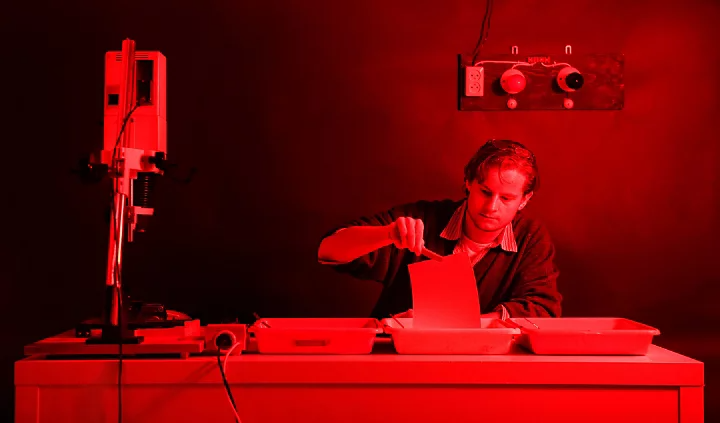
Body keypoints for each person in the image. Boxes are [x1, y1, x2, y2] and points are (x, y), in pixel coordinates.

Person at [317, 139, 562, 320]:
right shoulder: (422, 219)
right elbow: (328, 250)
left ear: (524, 199)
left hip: (484, 366)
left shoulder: (531, 237)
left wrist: (451, 325)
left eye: (506, 198)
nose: (491, 206)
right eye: (485, 192)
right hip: (398, 359)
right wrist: (388, 234)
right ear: (468, 182)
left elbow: (543, 309)